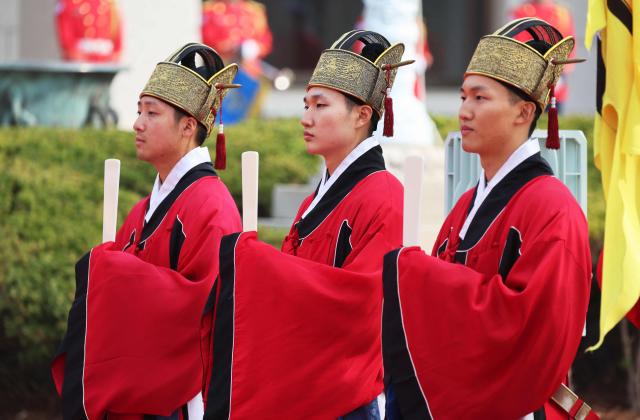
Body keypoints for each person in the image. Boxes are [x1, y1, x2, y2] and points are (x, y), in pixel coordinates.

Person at [381, 18, 594, 419]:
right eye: (463, 97)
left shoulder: (553, 208)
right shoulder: (465, 204)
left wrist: (417, 276)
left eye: (480, 98)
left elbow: (536, 327)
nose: (464, 111)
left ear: (524, 111)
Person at [204, 30, 408, 419]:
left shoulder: (384, 193)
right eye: (305, 104)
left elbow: (363, 302)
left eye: (319, 105)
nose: (305, 118)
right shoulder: (314, 201)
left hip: (347, 394)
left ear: (362, 114)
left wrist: (260, 265)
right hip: (303, 384)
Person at [51, 43, 242, 420]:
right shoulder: (143, 210)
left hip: (182, 400)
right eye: (139, 112)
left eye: (151, 114)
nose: (137, 124)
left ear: (188, 125)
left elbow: (207, 311)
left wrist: (114, 274)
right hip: (136, 397)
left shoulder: (211, 205)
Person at [510, 0, 576, 112]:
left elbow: (569, 46)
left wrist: (560, 71)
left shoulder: (562, 13)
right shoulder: (521, 11)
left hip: (555, 78)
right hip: (529, 77)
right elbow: (519, 44)